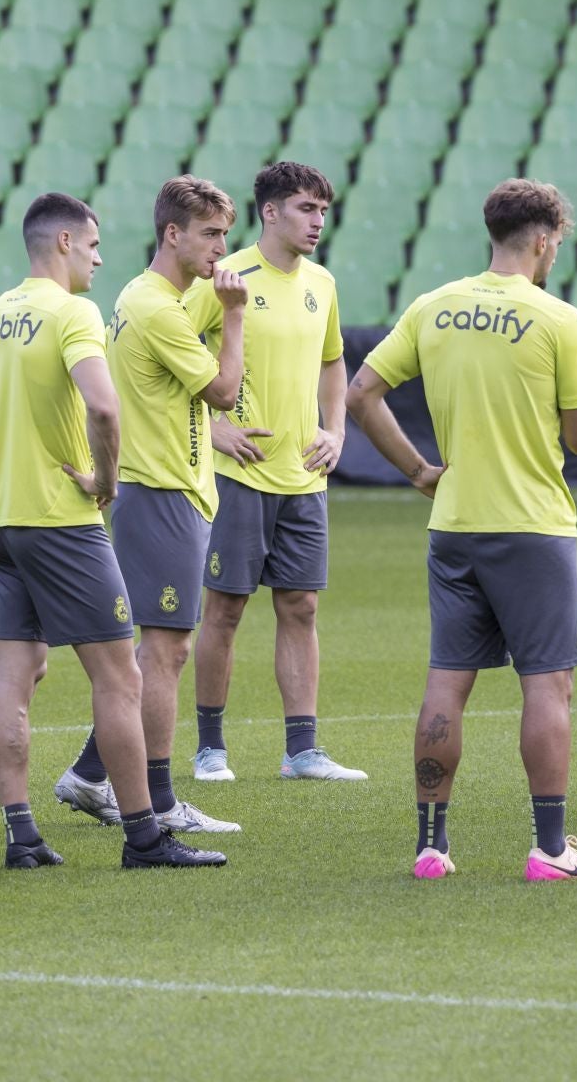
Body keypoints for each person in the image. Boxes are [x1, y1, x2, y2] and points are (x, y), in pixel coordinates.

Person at [0, 191, 223, 868]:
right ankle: (145, 838)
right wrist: (105, 480)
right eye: (92, 245)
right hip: (61, 522)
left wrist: (6, 431)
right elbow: (102, 404)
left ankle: (22, 834)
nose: (99, 257)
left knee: (18, 672)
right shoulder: (72, 313)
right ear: (63, 243)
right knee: (121, 677)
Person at [347, 178, 577, 882]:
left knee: (447, 684)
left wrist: (416, 469)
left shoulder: (433, 307)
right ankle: (551, 850)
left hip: (455, 524)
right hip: (532, 526)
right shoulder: (556, 318)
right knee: (547, 686)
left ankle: (431, 848)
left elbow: (360, 394)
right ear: (543, 239)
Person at [56, 176, 249, 838]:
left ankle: (89, 773)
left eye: (225, 233)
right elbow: (224, 389)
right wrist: (236, 315)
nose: (223, 248)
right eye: (212, 234)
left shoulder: (159, 298)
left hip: (172, 489)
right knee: (164, 651)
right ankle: (160, 802)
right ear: (173, 234)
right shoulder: (159, 307)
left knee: (159, 650)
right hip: (160, 491)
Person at [188, 162, 365, 783]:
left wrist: (335, 429)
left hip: (303, 478)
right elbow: (151, 362)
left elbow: (334, 363)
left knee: (301, 608)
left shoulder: (322, 283)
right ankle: (210, 748)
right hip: (239, 475)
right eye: (305, 209)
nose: (318, 221)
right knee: (226, 609)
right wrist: (213, 429)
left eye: (322, 210)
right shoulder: (225, 279)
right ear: (270, 212)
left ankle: (302, 751)